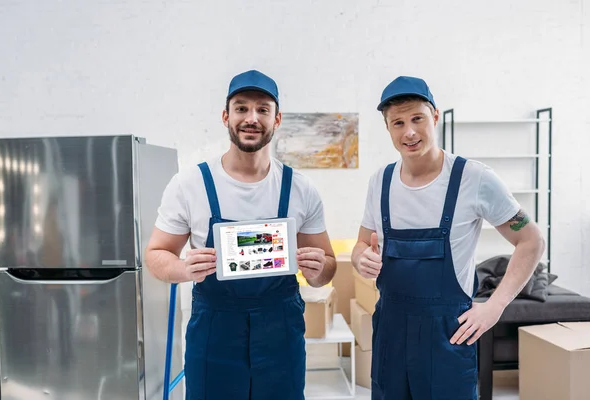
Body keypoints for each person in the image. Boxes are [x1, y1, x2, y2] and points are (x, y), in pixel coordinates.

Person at [144, 69, 336, 400]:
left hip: (281, 334)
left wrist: (320, 272)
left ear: (277, 120)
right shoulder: (190, 185)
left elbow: (329, 266)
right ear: (225, 116)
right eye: (242, 107)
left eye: (263, 109)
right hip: (214, 332)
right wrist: (182, 269)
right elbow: (155, 254)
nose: (252, 118)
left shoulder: (301, 189)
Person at [351, 76, 545, 399]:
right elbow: (360, 245)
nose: (409, 132)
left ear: (435, 116)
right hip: (389, 337)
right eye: (397, 123)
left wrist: (496, 306)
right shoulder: (379, 182)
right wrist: (361, 258)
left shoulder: (475, 179)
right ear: (387, 129)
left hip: (447, 340)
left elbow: (532, 240)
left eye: (417, 118)